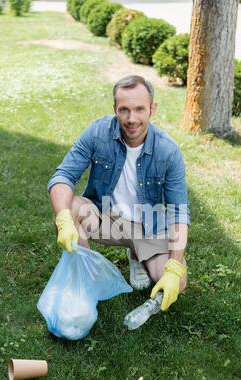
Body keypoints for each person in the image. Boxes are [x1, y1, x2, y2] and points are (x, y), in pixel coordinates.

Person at [47, 75, 190, 311]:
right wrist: (63, 219)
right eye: (124, 110)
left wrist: (174, 267)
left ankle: (137, 254)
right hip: (106, 219)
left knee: (179, 281)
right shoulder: (97, 132)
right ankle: (85, 284)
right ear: (115, 109)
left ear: (152, 109)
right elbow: (63, 176)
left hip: (148, 226)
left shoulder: (168, 151)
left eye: (139, 109)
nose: (131, 119)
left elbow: (179, 212)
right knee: (70, 208)